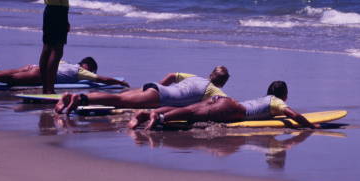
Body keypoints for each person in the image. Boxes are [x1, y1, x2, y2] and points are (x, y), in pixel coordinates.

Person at [127, 80, 319, 130]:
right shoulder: (276, 102)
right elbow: (293, 115)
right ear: (283, 94)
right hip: (232, 110)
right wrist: (311, 125)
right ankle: (158, 118)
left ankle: (150, 114)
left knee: (188, 110)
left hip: (224, 103)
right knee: (191, 115)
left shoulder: (265, 99)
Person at [55, 66, 230, 115]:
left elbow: (171, 75)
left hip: (154, 87)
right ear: (222, 83)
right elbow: (226, 103)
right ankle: (78, 99)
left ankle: (76, 98)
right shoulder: (214, 90)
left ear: (210, 74)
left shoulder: (195, 77)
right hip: (159, 96)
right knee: (118, 102)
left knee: (116, 97)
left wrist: (159, 87)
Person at [0, 57, 129, 91]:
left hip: (34, 66)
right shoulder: (81, 71)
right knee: (12, 80)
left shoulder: (65, 62)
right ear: (88, 67)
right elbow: (103, 79)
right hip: (40, 74)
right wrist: (120, 83)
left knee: (4, 73)